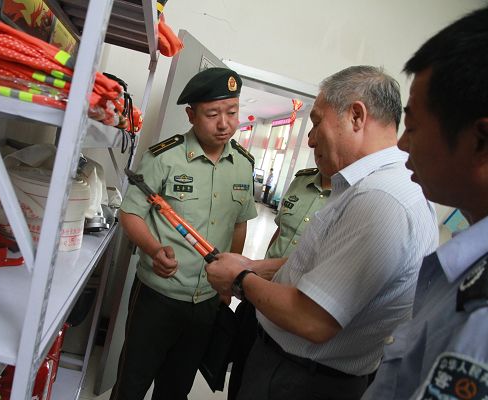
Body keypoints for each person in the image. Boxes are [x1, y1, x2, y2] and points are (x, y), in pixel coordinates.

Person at [206, 65, 438, 400]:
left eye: (317, 122)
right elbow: (330, 266)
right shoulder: (379, 187)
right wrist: (259, 267)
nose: (311, 138)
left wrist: (240, 278)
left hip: (299, 380)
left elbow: (312, 319)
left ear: (356, 116)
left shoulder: (379, 199)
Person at [362, 7, 488, 399]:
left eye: (413, 127)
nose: (402, 144)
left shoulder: (481, 318)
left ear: (480, 140)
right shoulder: (467, 269)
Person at [110, 67, 258, 400]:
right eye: (212, 114)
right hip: (158, 296)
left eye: (232, 112)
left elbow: (239, 223)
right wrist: (153, 249)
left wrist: (229, 281)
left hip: (207, 300)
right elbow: (130, 213)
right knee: (132, 382)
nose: (224, 124)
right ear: (191, 115)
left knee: (176, 388)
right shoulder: (165, 157)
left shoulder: (243, 165)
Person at [228, 167, 331, 400]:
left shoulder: (352, 198)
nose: (314, 147)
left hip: (294, 307)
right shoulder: (302, 181)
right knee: (241, 373)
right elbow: (282, 232)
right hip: (260, 294)